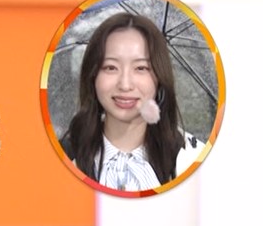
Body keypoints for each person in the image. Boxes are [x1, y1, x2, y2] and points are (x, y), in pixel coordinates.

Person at [61, 12, 206, 192]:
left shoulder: (193, 160)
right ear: (93, 76)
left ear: (160, 78)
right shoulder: (61, 158)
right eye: (110, 67)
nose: (125, 84)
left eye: (141, 68)